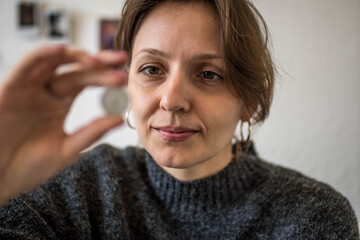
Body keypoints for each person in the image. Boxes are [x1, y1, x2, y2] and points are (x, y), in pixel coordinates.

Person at [0, 0, 358, 239]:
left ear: (247, 101)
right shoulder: (66, 188)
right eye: (152, 69)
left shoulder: (313, 217)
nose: (171, 100)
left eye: (208, 74)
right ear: (126, 81)